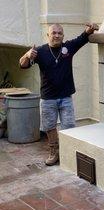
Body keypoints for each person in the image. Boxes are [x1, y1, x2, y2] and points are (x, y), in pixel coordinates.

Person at [19, 23, 99, 166]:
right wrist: (27, 55)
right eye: (54, 33)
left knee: (68, 126)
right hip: (48, 98)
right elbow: (22, 65)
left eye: (59, 33)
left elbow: (82, 38)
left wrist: (90, 29)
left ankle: (67, 153)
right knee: (50, 127)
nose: (56, 35)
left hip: (65, 97)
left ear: (63, 35)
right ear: (48, 35)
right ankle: (54, 152)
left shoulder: (68, 47)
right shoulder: (39, 51)